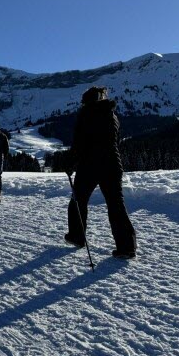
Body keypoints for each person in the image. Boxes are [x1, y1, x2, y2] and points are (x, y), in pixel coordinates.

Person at [64, 86, 137, 259]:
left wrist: (70, 163)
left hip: (89, 165)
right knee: (116, 204)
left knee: (78, 200)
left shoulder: (85, 115)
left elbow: (79, 144)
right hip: (112, 165)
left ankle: (77, 236)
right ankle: (127, 247)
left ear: (87, 101)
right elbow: (114, 141)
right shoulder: (112, 115)